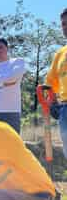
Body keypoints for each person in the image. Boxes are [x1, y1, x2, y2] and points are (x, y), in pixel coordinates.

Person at [45, 8, 67, 157]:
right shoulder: (60, 54)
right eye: (63, 24)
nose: (65, 27)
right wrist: (52, 101)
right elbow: (50, 82)